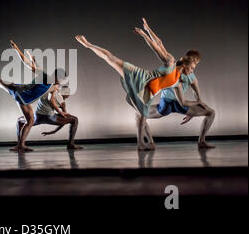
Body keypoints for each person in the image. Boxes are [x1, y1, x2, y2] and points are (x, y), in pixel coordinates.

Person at [75, 18, 204, 150]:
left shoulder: (177, 82)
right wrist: (145, 33)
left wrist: (197, 103)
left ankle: (142, 143)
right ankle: (88, 45)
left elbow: (182, 102)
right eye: (192, 69)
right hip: (142, 76)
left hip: (148, 92)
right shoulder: (171, 62)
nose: (192, 72)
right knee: (112, 59)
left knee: (142, 113)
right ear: (186, 65)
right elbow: (157, 45)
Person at [0, 40, 66, 152]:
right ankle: (20, 145)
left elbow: (52, 98)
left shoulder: (54, 85)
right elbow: (27, 63)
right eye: (61, 79)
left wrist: (60, 111)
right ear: (56, 75)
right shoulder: (45, 76)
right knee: (30, 120)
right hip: (22, 95)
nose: (61, 81)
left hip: (22, 95)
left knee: (1, 84)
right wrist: (16, 48)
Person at [139, 50, 216, 148]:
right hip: (176, 104)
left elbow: (198, 97)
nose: (193, 67)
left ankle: (201, 142)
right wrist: (193, 109)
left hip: (169, 105)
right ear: (187, 61)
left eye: (196, 63)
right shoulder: (178, 71)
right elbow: (198, 99)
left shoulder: (187, 75)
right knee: (211, 112)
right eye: (194, 63)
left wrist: (192, 112)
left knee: (140, 114)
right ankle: (151, 143)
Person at [16, 83, 82, 149]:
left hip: (37, 117)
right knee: (75, 119)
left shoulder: (47, 91)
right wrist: (54, 131)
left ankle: (20, 145)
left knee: (20, 120)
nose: (69, 95)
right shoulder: (62, 103)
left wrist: (53, 131)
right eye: (69, 94)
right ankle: (71, 144)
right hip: (49, 118)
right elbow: (63, 119)